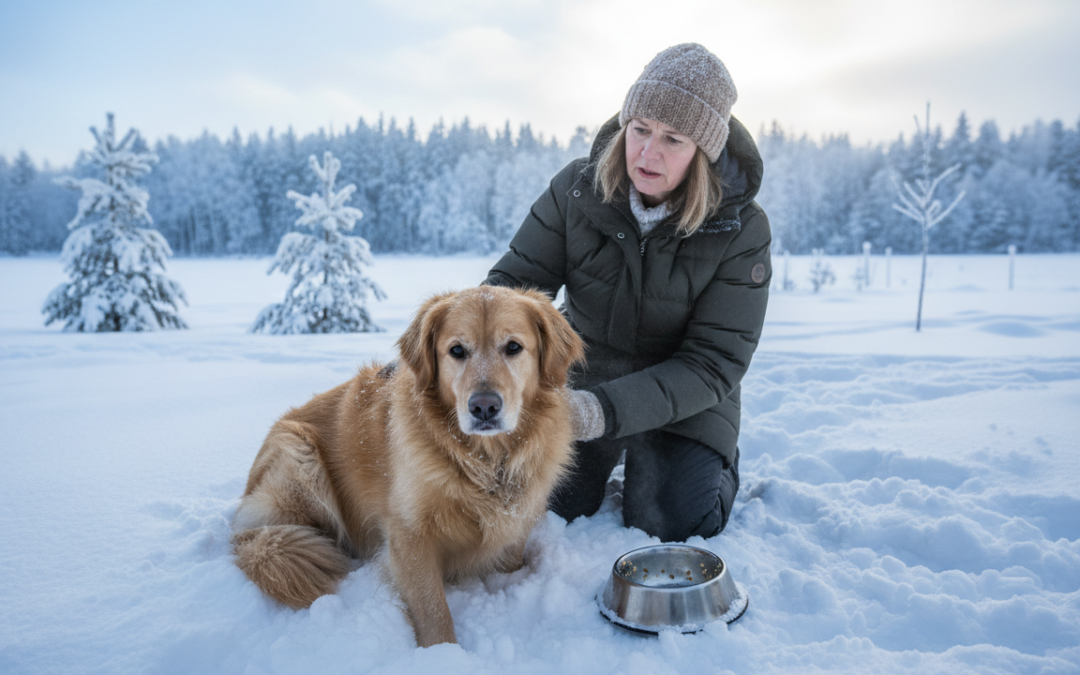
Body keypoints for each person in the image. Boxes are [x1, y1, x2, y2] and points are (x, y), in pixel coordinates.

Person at [483, 43, 770, 542]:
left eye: (673, 139)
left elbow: (714, 363)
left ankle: (713, 460)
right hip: (585, 375)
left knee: (674, 520)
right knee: (543, 502)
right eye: (639, 130)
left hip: (688, 395)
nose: (647, 152)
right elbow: (512, 288)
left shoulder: (741, 228)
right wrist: (449, 348)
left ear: (704, 151)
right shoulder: (576, 188)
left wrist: (602, 413)